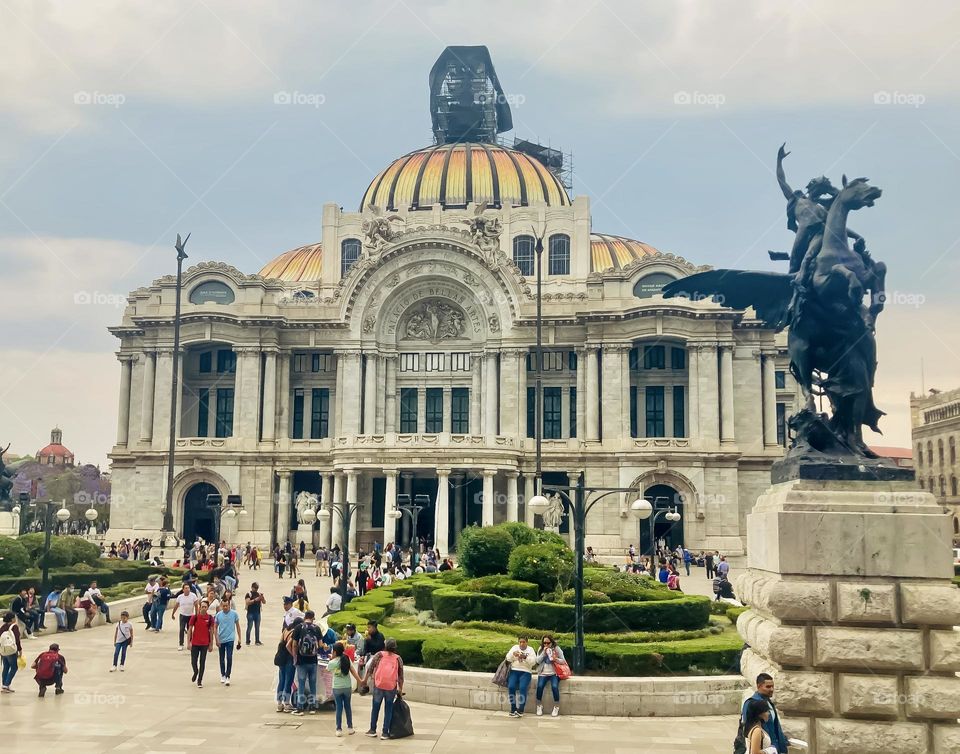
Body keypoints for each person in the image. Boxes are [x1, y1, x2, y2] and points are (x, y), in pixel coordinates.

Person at [364, 637, 404, 740]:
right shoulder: (398, 658)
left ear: (385, 645)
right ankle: (385, 733)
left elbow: (370, 668)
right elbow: (401, 676)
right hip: (391, 687)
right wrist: (400, 689)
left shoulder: (379, 655)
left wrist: (364, 681)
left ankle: (372, 730)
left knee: (375, 708)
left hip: (379, 685)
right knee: (388, 709)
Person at [740, 673, 789, 754]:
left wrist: (783, 741)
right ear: (759, 686)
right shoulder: (751, 704)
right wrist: (768, 751)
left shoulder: (769, 702)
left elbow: (775, 727)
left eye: (772, 686)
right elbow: (748, 727)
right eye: (768, 687)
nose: (772, 689)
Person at [287, 610, 324, 716]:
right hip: (313, 660)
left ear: (305, 617)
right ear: (312, 618)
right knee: (313, 684)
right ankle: (312, 707)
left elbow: (294, 644)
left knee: (301, 684)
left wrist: (295, 657)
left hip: (301, 660)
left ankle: (300, 708)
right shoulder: (316, 628)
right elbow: (320, 644)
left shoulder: (299, 627)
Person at [330, 641, 362, 736]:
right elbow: (353, 671)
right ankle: (350, 728)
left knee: (339, 708)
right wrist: (360, 681)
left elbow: (328, 669)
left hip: (337, 687)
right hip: (347, 687)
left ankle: (339, 729)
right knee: (347, 707)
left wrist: (331, 659)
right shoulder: (347, 659)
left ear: (335, 652)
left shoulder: (332, 662)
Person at [505, 635, 537, 718]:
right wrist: (513, 654)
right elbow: (508, 658)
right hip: (514, 670)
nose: (522, 644)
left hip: (526, 672)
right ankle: (513, 708)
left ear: (527, 642)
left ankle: (521, 709)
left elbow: (533, 662)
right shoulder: (515, 647)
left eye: (524, 642)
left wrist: (525, 657)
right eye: (520, 642)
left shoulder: (530, 650)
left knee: (523, 688)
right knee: (511, 687)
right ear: (518, 642)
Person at [534, 635, 565, 717]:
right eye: (544, 643)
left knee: (554, 687)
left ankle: (556, 706)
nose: (546, 645)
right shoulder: (541, 649)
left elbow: (563, 661)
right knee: (540, 686)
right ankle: (539, 705)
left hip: (554, 673)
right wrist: (544, 653)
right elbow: (537, 661)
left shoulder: (556, 649)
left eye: (548, 643)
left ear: (552, 642)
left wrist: (556, 659)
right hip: (543, 673)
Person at [188, 599, 215, 687]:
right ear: (199, 607)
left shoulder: (210, 618)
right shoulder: (194, 617)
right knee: (193, 661)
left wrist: (211, 644)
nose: (203, 608)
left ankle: (200, 680)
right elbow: (189, 630)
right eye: (202, 607)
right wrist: (188, 642)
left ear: (207, 608)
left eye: (205, 607)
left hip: (205, 643)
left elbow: (211, 631)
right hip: (195, 643)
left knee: (202, 662)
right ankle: (196, 671)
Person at [214, 599, 241, 686]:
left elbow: (238, 626)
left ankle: (228, 675)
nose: (225, 607)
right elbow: (215, 627)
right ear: (221, 606)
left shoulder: (234, 614)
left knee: (229, 657)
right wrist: (216, 639)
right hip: (221, 639)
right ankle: (223, 674)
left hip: (230, 639)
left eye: (227, 606)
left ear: (229, 605)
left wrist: (239, 638)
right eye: (223, 606)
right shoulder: (218, 615)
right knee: (221, 658)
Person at [274, 620, 297, 712]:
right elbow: (290, 645)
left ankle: (279, 703)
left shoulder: (285, 630)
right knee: (288, 681)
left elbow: (280, 643)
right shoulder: (294, 632)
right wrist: (293, 656)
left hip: (281, 658)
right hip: (289, 659)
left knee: (281, 681)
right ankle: (287, 703)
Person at [170, 582, 198, 648]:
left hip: (190, 615)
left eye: (188, 588)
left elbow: (196, 606)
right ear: (183, 590)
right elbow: (176, 606)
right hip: (183, 615)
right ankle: (181, 644)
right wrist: (173, 613)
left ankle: (190, 642)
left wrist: (196, 614)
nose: (187, 589)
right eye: (186, 588)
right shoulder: (180, 597)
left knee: (189, 629)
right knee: (182, 629)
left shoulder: (193, 596)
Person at [0, 611, 23, 692]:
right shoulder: (14, 627)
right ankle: (6, 684)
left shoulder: (3, 627)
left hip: (3, 651)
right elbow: (17, 640)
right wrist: (20, 650)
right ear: (12, 619)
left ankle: (4, 685)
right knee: (14, 667)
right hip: (11, 650)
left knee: (6, 667)